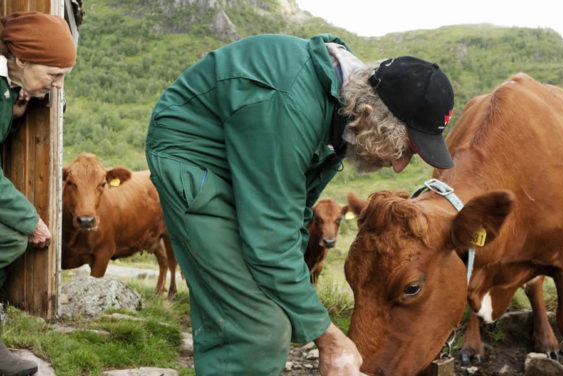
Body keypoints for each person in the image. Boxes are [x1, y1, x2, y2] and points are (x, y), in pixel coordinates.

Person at [145, 33, 454, 376]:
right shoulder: (289, 107)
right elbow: (270, 240)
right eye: (403, 148)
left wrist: (305, 308)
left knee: (272, 303)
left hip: (240, 163)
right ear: (371, 113)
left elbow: (292, 216)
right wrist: (329, 338)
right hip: (193, 160)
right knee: (257, 327)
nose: (399, 166)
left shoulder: (343, 115)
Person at [0, 11, 75, 376]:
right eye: (53, 74)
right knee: (14, 235)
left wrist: (14, 107)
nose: (58, 84)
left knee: (8, 240)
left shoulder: (6, 85)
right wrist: (30, 219)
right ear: (20, 59)